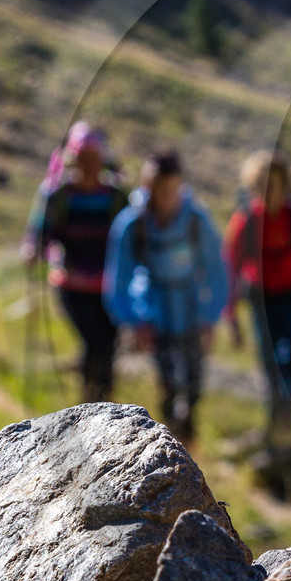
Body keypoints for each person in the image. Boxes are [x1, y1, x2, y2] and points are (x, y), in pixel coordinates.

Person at [104, 150, 227, 441]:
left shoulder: (197, 219)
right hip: (155, 313)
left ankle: (189, 432)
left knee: (195, 382)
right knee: (169, 382)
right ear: (148, 185)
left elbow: (218, 271)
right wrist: (135, 322)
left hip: (193, 312)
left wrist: (210, 318)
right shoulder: (132, 224)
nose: (165, 196)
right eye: (159, 189)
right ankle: (171, 439)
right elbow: (118, 280)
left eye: (171, 189)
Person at [224, 152, 291, 440]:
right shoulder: (245, 222)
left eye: (276, 185)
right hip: (261, 301)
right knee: (270, 362)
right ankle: (277, 421)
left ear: (286, 186)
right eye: (263, 186)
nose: (270, 192)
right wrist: (231, 316)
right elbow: (231, 270)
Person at [23, 123, 130, 403]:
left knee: (108, 344)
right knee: (95, 341)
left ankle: (103, 402)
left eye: (93, 158)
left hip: (109, 287)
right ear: (72, 159)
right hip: (71, 283)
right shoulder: (57, 194)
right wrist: (33, 249)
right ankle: (91, 401)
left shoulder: (116, 196)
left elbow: (131, 237)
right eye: (82, 158)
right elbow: (39, 231)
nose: (88, 165)